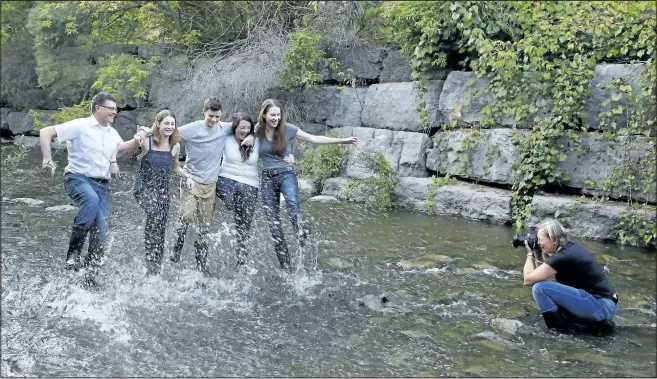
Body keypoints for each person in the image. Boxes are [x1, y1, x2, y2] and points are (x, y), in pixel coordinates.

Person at [39, 92, 142, 288]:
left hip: (103, 186)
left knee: (101, 238)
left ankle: (88, 278)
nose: (115, 111)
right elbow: (46, 132)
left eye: (115, 108)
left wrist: (139, 139)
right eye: (110, 108)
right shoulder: (80, 125)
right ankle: (73, 254)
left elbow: (125, 151)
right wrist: (47, 159)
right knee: (90, 201)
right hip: (78, 178)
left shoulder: (112, 133)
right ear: (98, 108)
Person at [151, 97, 252, 276]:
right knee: (186, 217)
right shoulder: (192, 128)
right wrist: (147, 133)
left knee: (204, 227)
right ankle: (178, 245)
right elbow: (168, 131)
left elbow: (246, 127)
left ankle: (201, 266)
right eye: (211, 116)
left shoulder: (224, 128)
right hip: (190, 178)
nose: (214, 120)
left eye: (217, 117)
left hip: (210, 184)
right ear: (204, 112)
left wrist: (250, 135)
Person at [256, 98, 358, 270]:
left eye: (278, 115)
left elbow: (313, 138)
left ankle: (302, 231)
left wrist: (342, 141)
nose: (276, 118)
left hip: (286, 174)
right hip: (266, 178)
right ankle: (285, 265)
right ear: (264, 115)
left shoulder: (288, 129)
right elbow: (236, 129)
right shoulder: (257, 130)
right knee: (273, 223)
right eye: (272, 115)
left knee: (292, 205)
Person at [522, 219, 619, 333]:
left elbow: (528, 279)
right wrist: (537, 253)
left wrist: (529, 253)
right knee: (548, 289)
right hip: (607, 304)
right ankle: (578, 323)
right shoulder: (570, 248)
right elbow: (541, 276)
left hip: (601, 307)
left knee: (539, 289)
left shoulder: (562, 257)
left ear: (553, 239)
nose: (538, 243)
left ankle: (558, 331)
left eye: (540, 239)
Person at [131, 109, 188, 275]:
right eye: (166, 123)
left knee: (160, 227)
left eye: (172, 124)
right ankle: (150, 263)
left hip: (163, 193)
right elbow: (135, 143)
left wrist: (188, 176)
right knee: (154, 218)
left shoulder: (175, 146)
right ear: (158, 124)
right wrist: (143, 132)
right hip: (144, 189)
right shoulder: (148, 141)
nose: (169, 127)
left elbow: (176, 167)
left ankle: (155, 266)